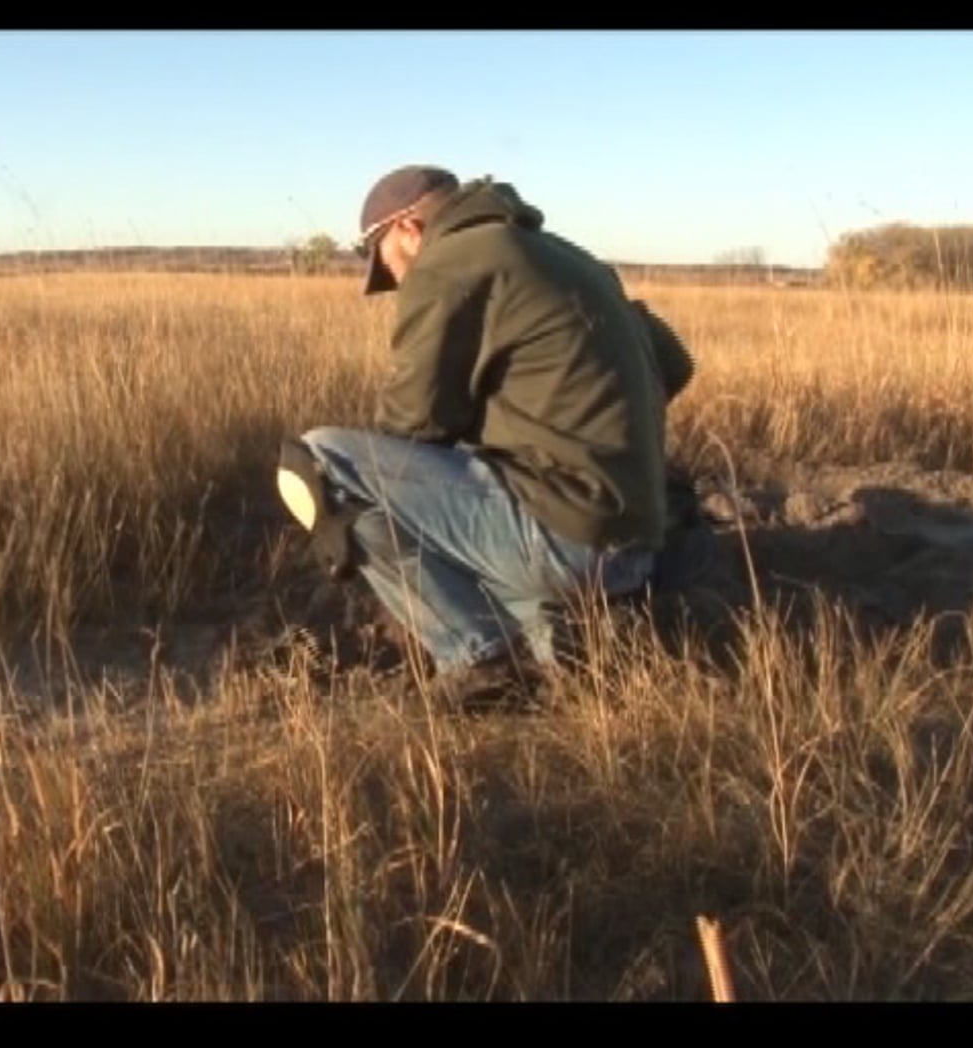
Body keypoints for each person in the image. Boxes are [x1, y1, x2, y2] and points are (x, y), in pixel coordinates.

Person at [276, 165, 699, 704]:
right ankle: (554, 633)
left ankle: (478, 657)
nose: (397, 282)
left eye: (387, 265)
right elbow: (675, 365)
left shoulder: (448, 263)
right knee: (459, 477)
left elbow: (411, 427)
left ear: (408, 229)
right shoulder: (571, 258)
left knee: (320, 464)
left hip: (564, 540)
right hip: (637, 541)